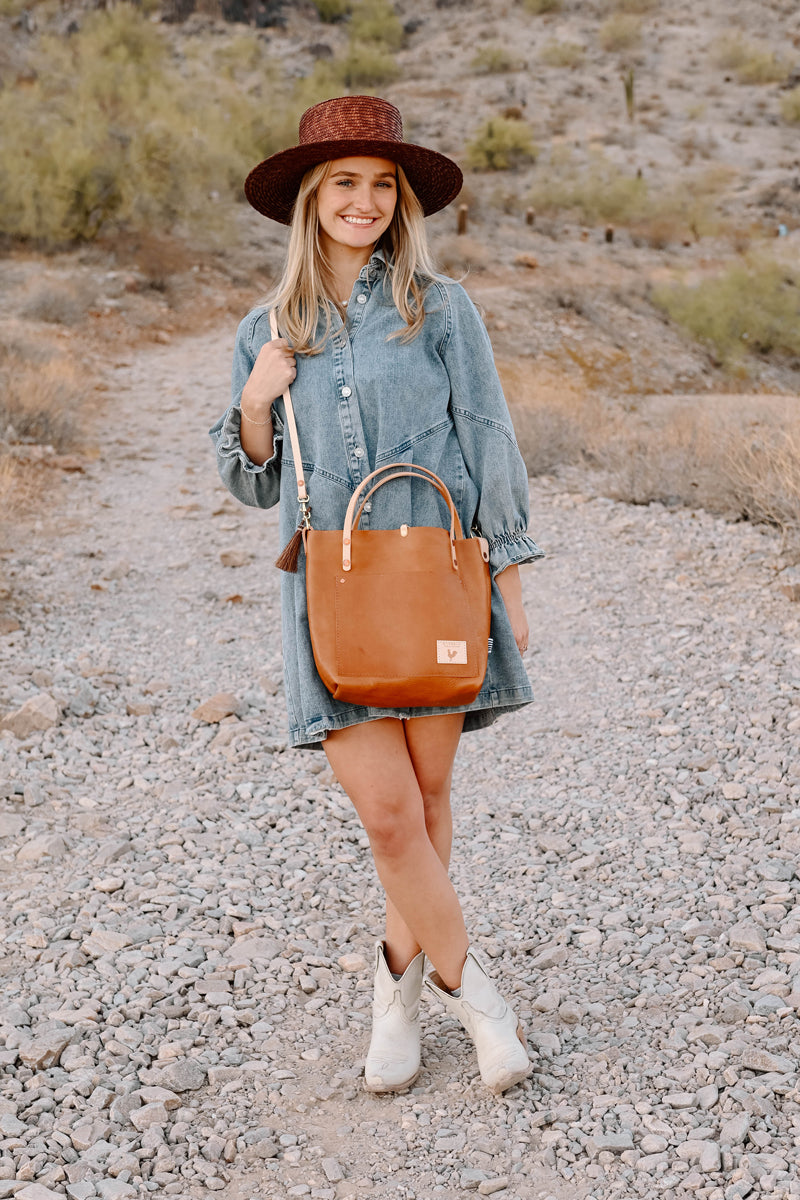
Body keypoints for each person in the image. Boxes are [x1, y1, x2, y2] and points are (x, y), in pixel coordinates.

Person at [209, 95, 543, 1096]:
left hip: (440, 578)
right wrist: (256, 401)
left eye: (380, 186)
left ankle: (396, 996)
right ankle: (477, 996)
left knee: (433, 798)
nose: (362, 202)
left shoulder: (439, 307)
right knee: (389, 817)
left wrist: (508, 572)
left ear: (400, 203)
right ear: (312, 199)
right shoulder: (264, 329)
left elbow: (485, 438)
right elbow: (252, 480)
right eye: (343, 184)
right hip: (333, 591)